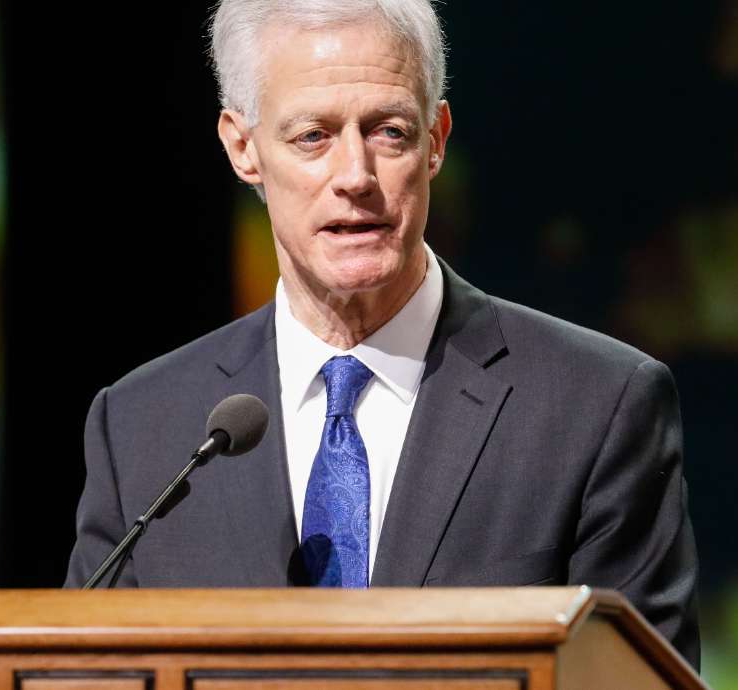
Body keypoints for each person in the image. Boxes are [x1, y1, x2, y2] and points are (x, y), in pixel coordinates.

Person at [64, 0, 700, 668]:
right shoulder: (141, 426)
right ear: (242, 147)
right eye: (313, 136)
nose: (356, 177)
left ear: (436, 139)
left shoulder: (597, 406)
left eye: (389, 132)